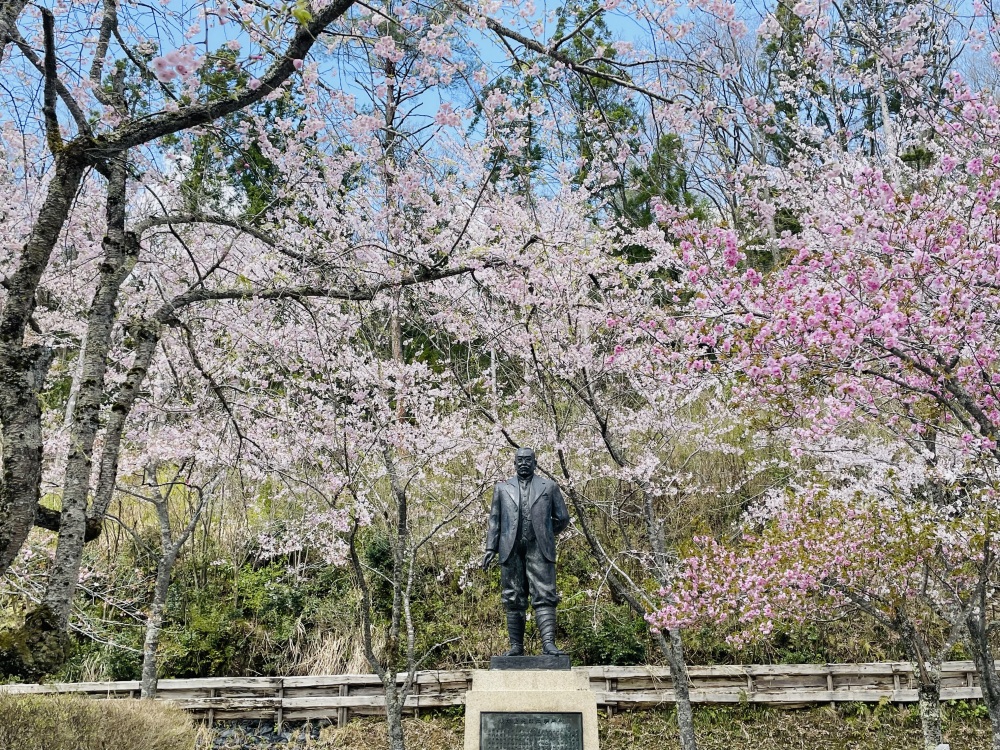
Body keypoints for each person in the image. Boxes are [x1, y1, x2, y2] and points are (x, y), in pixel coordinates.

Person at [482, 447, 570, 656]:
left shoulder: (549, 486)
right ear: (514, 463)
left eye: (527, 460)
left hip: (539, 546)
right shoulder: (502, 488)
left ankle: (548, 644)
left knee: (545, 593)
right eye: (519, 460)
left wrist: (545, 532)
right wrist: (490, 547)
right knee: (512, 596)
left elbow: (562, 518)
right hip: (509, 547)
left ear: (535, 463)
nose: (523, 463)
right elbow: (495, 521)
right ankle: (516, 646)